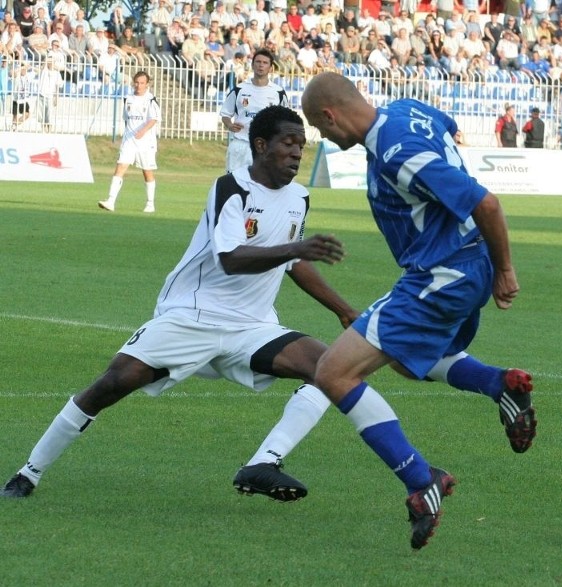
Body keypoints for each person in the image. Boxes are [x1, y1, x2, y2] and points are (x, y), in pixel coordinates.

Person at [1, 105, 358, 504]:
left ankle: (263, 463)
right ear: (261, 145)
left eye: (301, 145)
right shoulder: (231, 187)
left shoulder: (299, 198)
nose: (296, 153)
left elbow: (293, 261)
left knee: (330, 368)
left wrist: (341, 308)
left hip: (253, 326)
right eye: (288, 143)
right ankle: (28, 473)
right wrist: (295, 248)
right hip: (192, 316)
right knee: (113, 383)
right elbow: (231, 259)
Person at [300, 72, 537, 550]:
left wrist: (505, 271)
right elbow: (448, 128)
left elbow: (486, 204)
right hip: (462, 266)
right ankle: (500, 385)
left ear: (330, 114)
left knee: (333, 372)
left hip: (440, 276)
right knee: (411, 363)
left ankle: (419, 481)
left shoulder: (396, 153)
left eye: (320, 129)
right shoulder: (407, 110)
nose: (323, 138)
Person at [98, 71, 161, 213]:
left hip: (146, 142)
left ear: (147, 84)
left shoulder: (151, 100)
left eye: (142, 83)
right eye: (137, 82)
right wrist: (129, 134)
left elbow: (154, 119)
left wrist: (143, 131)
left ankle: (150, 203)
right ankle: (111, 201)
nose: (139, 86)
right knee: (120, 167)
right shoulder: (128, 98)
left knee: (147, 172)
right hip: (129, 140)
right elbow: (127, 118)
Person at [219, 48, 287, 174]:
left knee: (264, 188)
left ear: (271, 67)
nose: (261, 65)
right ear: (252, 65)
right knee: (235, 187)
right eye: (258, 62)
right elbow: (225, 114)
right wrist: (229, 124)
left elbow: (286, 119)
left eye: (265, 63)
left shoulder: (278, 92)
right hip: (241, 144)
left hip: (266, 147)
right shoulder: (239, 89)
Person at [37, 56, 63, 132]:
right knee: (42, 116)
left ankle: (49, 131)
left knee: (49, 117)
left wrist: (56, 97)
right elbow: (44, 64)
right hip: (41, 95)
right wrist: (48, 58)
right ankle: (43, 131)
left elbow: (58, 87)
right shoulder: (44, 71)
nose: (50, 63)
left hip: (50, 96)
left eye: (52, 62)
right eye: (49, 62)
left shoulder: (57, 73)